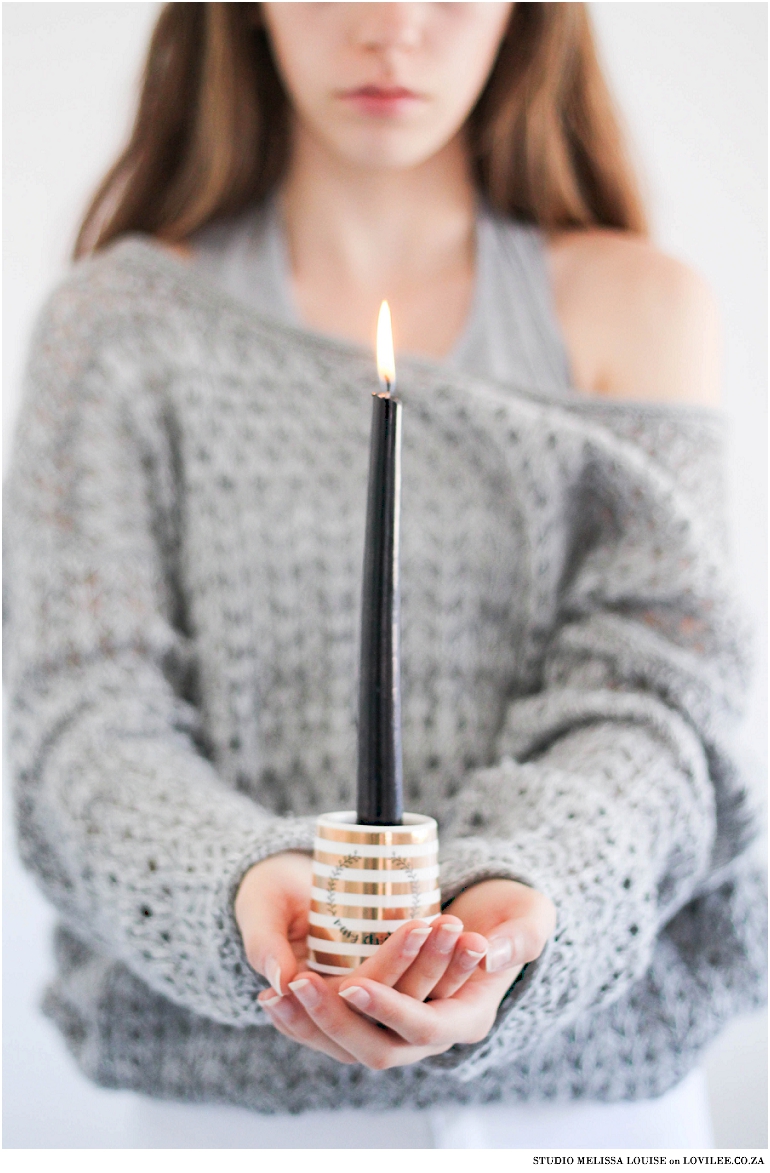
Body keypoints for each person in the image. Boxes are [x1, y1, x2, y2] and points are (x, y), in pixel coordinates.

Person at [5, 2, 765, 1149]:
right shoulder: (118, 333)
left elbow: (660, 706)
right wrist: (239, 892)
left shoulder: (637, 308)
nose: (391, 30)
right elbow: (83, 723)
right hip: (234, 1109)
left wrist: (526, 905)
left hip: (590, 1099)